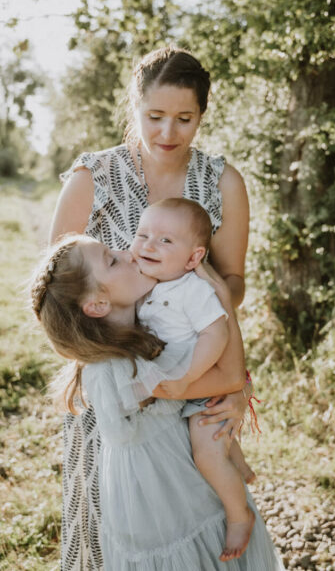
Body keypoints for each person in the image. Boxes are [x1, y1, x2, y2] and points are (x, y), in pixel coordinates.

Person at [49, 46, 252, 569]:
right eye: (155, 116)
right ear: (134, 107)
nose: (168, 132)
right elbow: (60, 292)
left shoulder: (222, 182)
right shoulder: (93, 177)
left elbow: (232, 281)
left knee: (201, 521)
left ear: (202, 114)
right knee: (108, 528)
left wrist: (228, 371)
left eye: (185, 118)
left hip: (194, 365)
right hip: (115, 380)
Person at [31, 235, 285, 570]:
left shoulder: (146, 326)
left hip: (186, 476)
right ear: (98, 305)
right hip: (167, 501)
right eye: (111, 260)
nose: (128, 253)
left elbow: (223, 376)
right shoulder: (122, 372)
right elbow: (231, 377)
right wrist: (222, 300)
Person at [129, 197, 255, 560]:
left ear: (193, 258)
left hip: (199, 384)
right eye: (143, 235)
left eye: (165, 240)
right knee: (212, 444)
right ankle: (239, 464)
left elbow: (216, 334)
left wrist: (188, 378)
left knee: (206, 454)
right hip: (178, 384)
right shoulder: (143, 282)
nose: (149, 245)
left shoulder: (193, 290)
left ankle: (239, 516)